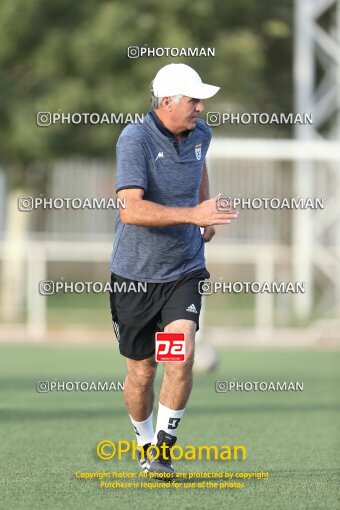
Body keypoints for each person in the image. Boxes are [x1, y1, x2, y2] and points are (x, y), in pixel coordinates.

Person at [109, 63, 238, 475]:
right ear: (167, 102)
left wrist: (204, 213)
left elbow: (199, 167)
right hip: (134, 276)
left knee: (179, 355)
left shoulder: (202, 134)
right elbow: (130, 210)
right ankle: (144, 442)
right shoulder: (135, 138)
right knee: (142, 372)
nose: (200, 107)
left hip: (184, 270)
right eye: (193, 100)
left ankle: (163, 450)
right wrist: (192, 212)